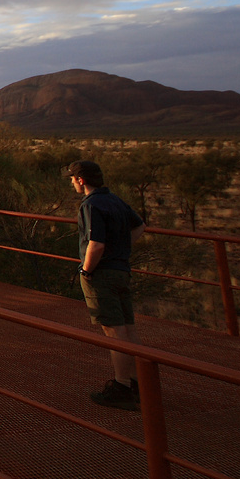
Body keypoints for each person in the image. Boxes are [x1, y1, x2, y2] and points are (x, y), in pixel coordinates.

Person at [67, 158, 146, 411]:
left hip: (102, 274)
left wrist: (87, 270)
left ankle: (122, 387)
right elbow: (140, 225)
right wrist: (121, 249)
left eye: (72, 178)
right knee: (128, 329)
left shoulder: (90, 205)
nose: (72, 183)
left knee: (114, 332)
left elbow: (96, 244)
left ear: (81, 180)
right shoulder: (115, 200)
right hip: (122, 270)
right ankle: (137, 383)